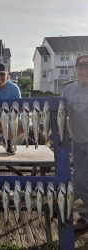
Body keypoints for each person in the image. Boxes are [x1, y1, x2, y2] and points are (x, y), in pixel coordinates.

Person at [62, 55, 88, 231]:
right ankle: (86, 217)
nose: (84, 70)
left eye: (87, 66)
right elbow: (60, 114)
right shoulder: (68, 90)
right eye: (81, 66)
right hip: (78, 143)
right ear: (76, 69)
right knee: (79, 181)